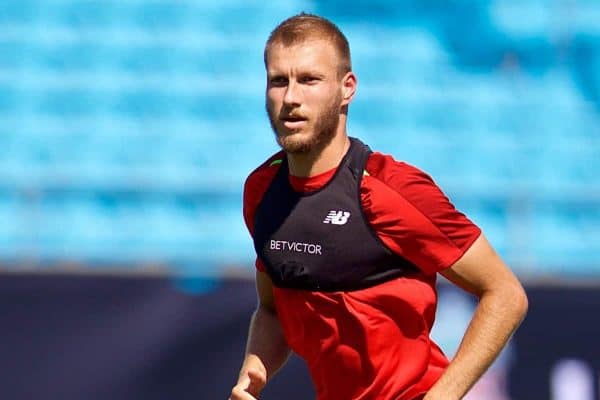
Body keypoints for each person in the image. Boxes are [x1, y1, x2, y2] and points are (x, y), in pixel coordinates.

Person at [229, 13, 528, 400]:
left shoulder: (391, 189)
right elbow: (272, 310)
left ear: (347, 88)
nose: (291, 98)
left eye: (309, 80)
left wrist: (442, 396)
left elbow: (505, 293)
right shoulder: (262, 191)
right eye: (278, 81)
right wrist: (253, 372)